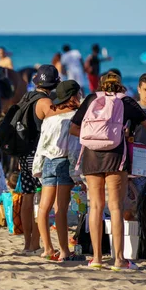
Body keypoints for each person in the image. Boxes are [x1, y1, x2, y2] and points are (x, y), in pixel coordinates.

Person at [70, 72, 146, 271]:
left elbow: (73, 128)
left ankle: (96, 258)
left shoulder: (91, 99)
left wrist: (94, 135)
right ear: (119, 85)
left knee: (95, 207)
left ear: (102, 85)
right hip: (115, 156)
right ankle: (119, 260)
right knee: (116, 207)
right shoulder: (126, 102)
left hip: (92, 156)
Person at [33, 80, 83, 262]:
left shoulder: (50, 116)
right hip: (64, 162)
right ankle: (64, 252)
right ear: (73, 96)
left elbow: (41, 144)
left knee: (44, 208)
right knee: (61, 208)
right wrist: (77, 174)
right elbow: (73, 148)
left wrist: (37, 168)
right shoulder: (74, 116)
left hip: (47, 162)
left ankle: (47, 248)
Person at [18, 64, 60, 255]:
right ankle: (35, 243)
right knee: (43, 200)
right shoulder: (45, 102)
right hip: (38, 156)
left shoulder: (26, 97)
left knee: (27, 197)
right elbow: (57, 124)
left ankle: (28, 243)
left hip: (24, 153)